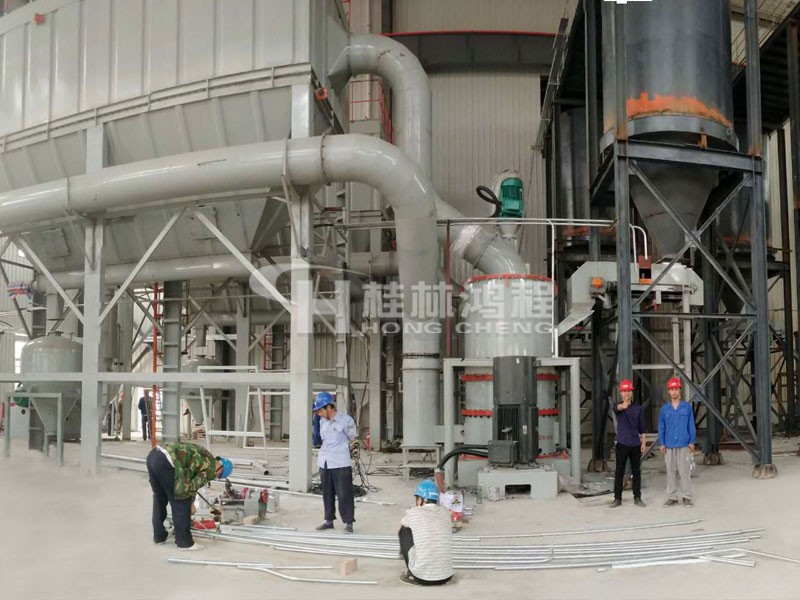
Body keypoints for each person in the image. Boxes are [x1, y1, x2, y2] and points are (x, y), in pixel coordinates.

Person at [146, 442, 233, 550]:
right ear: (220, 468)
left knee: (160, 498)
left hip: (154, 456)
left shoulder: (206, 456)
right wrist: (191, 504)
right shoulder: (211, 468)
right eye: (219, 475)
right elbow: (191, 486)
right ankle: (184, 542)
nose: (216, 477)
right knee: (181, 501)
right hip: (167, 462)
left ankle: (159, 536)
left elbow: (190, 478)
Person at [314, 391, 357, 533]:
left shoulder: (346, 420)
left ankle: (349, 522)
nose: (319, 413)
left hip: (340, 462)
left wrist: (354, 449)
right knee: (327, 493)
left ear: (328, 407)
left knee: (344, 494)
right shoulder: (322, 422)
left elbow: (353, 438)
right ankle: (328, 521)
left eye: (320, 410)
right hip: (325, 462)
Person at [398, 480, 454, 586]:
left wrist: (402, 551)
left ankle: (411, 574)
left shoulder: (414, 512)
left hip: (421, 577)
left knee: (404, 530)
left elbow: (401, 526)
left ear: (420, 500)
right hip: (446, 576)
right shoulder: (446, 512)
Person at [658, 377, 696, 506]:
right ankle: (672, 496)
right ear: (668, 391)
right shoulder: (665, 409)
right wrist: (662, 443)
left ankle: (686, 496)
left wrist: (691, 441)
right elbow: (661, 427)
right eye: (671, 389)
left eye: (676, 389)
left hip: (683, 442)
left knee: (684, 470)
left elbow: (691, 425)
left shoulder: (687, 407)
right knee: (671, 470)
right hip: (669, 444)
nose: (674, 392)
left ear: (680, 390)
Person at [610, 379, 646, 508]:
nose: (626, 393)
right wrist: (623, 405)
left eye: (628, 391)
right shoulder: (618, 407)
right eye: (624, 391)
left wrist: (644, 442)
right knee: (619, 471)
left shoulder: (637, 409)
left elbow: (642, 427)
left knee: (636, 471)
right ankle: (617, 498)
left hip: (635, 443)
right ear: (621, 393)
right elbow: (617, 408)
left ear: (632, 392)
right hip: (622, 443)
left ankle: (637, 497)